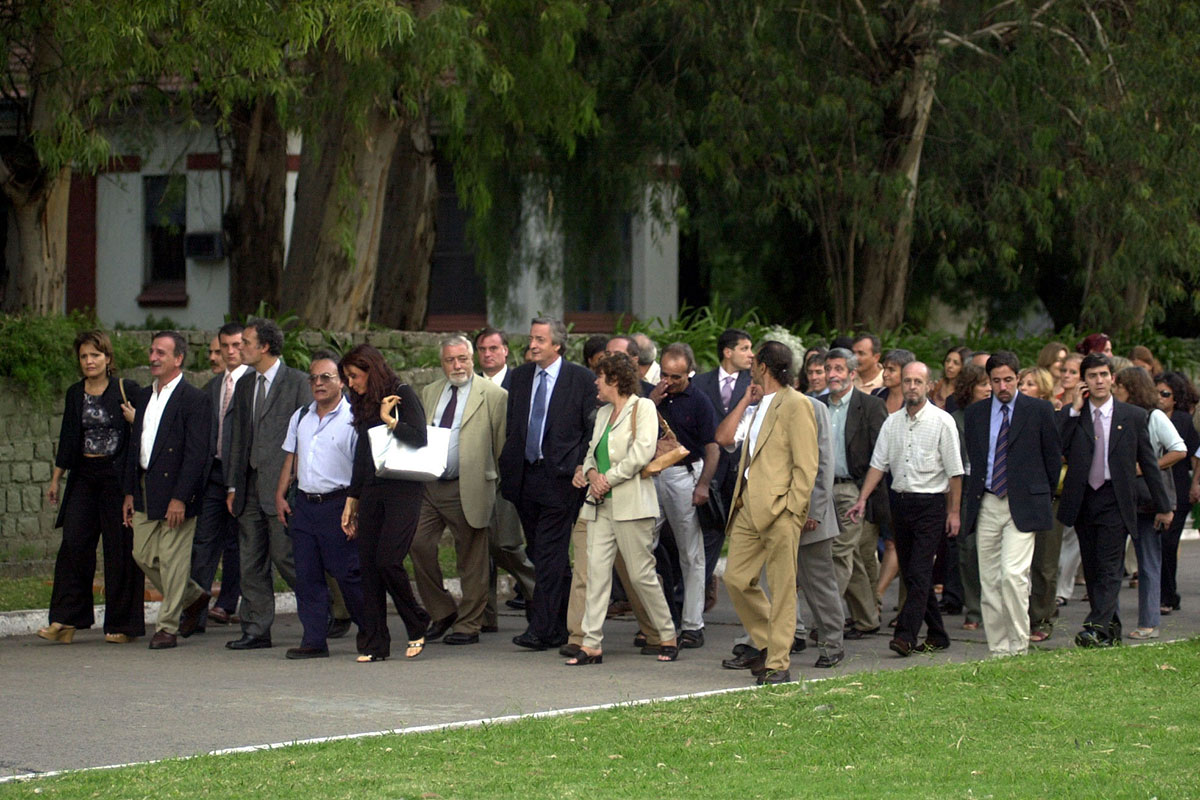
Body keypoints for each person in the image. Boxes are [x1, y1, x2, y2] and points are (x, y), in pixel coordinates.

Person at [716, 370, 845, 669]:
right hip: (765, 510)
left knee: (816, 582)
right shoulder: (758, 407)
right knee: (757, 580)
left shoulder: (812, 408)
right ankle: (767, 642)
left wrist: (812, 509)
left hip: (806, 511)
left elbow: (821, 463)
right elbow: (727, 440)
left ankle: (831, 643)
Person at [568, 353, 678, 665]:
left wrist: (608, 480)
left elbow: (642, 452)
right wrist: (591, 474)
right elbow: (591, 452)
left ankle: (667, 634)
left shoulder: (642, 407)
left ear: (614, 380)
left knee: (642, 574)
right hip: (600, 507)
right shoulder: (603, 413)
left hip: (632, 506)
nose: (595, 383)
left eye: (599, 377)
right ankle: (591, 644)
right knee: (596, 574)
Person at [848, 362, 964, 657]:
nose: (912, 386)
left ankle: (905, 635)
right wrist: (862, 499)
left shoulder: (942, 421)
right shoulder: (892, 423)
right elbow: (878, 464)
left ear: (928, 385)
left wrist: (954, 512)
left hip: (931, 503)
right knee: (913, 570)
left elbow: (955, 472)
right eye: (908, 381)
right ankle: (937, 634)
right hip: (899, 501)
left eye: (918, 381)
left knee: (920, 570)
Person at [1057, 354, 1170, 648]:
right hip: (1083, 499)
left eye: (1104, 375)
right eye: (1092, 376)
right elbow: (1057, 444)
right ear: (1084, 382)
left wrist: (1164, 505)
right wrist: (1073, 409)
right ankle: (1110, 629)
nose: (1099, 381)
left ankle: (1095, 627)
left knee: (1110, 566)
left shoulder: (1132, 416)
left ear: (1112, 378)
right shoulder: (1074, 415)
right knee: (1093, 567)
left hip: (1115, 498)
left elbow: (1148, 461)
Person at [723, 341, 819, 685]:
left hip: (781, 509)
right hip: (748, 504)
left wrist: (793, 510)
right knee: (735, 579)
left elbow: (806, 464)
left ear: (764, 366)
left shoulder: (797, 404)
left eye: (754, 359)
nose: (749, 363)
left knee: (782, 589)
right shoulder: (759, 400)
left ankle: (778, 663)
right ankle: (771, 640)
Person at [41, 331, 145, 645]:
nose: (89, 361)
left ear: (108, 359)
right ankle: (66, 620)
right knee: (74, 542)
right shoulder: (76, 393)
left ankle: (122, 624)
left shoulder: (127, 390)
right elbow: (69, 436)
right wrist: (56, 477)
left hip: (117, 477)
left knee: (119, 548)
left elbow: (148, 428)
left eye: (95, 356)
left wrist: (134, 418)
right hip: (84, 475)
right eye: (84, 356)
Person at [499, 317, 595, 650]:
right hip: (525, 477)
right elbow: (514, 424)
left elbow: (590, 428)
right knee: (541, 553)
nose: (533, 345)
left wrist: (580, 465)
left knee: (551, 553)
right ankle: (563, 622)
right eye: (531, 339)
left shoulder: (580, 379)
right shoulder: (521, 377)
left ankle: (541, 629)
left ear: (557, 344)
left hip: (561, 479)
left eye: (540, 339)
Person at [410, 336, 508, 645]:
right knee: (418, 544)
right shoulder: (429, 392)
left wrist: (497, 487)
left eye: (463, 358)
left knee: (472, 558)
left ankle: (469, 624)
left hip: (470, 485)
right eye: (450, 360)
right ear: (442, 363)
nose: (457, 365)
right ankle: (442, 611)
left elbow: (501, 444)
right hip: (429, 485)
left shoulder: (493, 395)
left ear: (472, 359)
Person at [961, 352, 1061, 658]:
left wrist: (1038, 494)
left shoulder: (1039, 409)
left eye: (1008, 379)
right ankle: (999, 648)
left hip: (1023, 503)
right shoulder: (976, 413)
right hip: (988, 500)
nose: (1003, 386)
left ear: (1017, 377)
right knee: (989, 579)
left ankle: (1019, 645)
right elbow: (977, 460)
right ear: (988, 382)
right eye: (996, 380)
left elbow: (1052, 458)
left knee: (1012, 575)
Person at [120, 331, 212, 649]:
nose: (153, 358)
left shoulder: (195, 400)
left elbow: (197, 455)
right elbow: (137, 445)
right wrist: (131, 491)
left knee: (173, 560)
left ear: (178, 359)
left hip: (177, 490)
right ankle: (193, 597)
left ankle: (167, 627)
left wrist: (180, 498)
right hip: (146, 485)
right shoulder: (145, 396)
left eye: (161, 352)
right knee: (141, 553)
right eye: (152, 351)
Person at [340, 344, 430, 662]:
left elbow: (419, 437)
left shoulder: (401, 392)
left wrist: (387, 419)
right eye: (347, 377)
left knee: (388, 561)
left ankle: (417, 620)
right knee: (368, 566)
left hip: (404, 487)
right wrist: (352, 499)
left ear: (371, 370)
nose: (351, 383)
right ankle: (375, 643)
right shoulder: (361, 401)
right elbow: (363, 455)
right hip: (373, 489)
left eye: (354, 376)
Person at [224, 318, 310, 651]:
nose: (238, 348)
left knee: (286, 556)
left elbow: (305, 438)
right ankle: (256, 629)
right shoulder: (245, 385)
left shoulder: (297, 382)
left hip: (283, 488)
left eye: (245, 342)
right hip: (248, 486)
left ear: (264, 347)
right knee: (250, 560)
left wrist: (294, 484)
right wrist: (232, 485)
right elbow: (237, 438)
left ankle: (329, 609)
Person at [274, 351, 366, 659]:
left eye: (326, 377)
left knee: (348, 574)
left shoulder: (354, 417)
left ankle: (370, 630)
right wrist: (280, 494)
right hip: (305, 505)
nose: (319, 383)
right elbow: (292, 456)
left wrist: (356, 510)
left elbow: (362, 468)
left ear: (341, 381)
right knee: (307, 576)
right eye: (313, 377)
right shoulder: (302, 416)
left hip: (339, 504)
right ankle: (314, 639)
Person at [648, 342, 720, 648]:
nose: (669, 381)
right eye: (664, 374)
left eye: (676, 376)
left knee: (691, 554)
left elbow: (713, 448)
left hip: (685, 475)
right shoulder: (653, 398)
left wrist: (703, 485)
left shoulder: (699, 401)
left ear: (688, 372)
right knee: (641, 546)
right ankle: (654, 622)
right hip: (652, 475)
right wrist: (650, 402)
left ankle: (693, 624)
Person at [1112, 366, 1185, 639]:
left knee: (1149, 560)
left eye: (1120, 385)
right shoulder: (1116, 413)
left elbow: (1179, 449)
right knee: (1115, 562)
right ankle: (1111, 621)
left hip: (1147, 497)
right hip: (1122, 495)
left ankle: (1149, 622)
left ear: (1131, 387)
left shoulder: (1153, 416)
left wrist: (1146, 466)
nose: (1115, 389)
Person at [819, 347, 887, 638]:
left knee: (839, 553)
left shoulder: (869, 406)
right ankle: (867, 618)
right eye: (828, 369)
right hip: (822, 488)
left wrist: (864, 496)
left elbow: (880, 456)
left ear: (852, 373)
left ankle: (827, 621)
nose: (832, 374)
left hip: (852, 488)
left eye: (838, 369)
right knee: (853, 557)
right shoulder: (817, 405)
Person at [474, 327, 535, 621]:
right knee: (478, 549)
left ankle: (545, 594)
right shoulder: (469, 386)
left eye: (493, 349)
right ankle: (483, 617)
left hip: (509, 476)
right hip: (474, 476)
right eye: (483, 350)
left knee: (506, 544)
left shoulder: (520, 383)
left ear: (506, 351)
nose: (487, 354)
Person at [190, 321, 246, 632]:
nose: (230, 352)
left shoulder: (253, 383)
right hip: (213, 471)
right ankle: (194, 611)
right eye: (225, 346)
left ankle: (228, 602)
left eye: (237, 345)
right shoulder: (212, 388)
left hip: (242, 475)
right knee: (204, 541)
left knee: (236, 542)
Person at [691, 327, 754, 603]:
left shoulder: (755, 384)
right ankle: (698, 591)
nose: (750, 354)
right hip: (709, 471)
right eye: (744, 348)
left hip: (742, 471)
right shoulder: (700, 383)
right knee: (709, 532)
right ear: (727, 352)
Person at [1016, 365, 1065, 641]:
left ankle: (1043, 618)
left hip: (1049, 496)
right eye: (1021, 384)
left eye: (1030, 384)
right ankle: (1019, 614)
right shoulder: (1011, 416)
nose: (1023, 389)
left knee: (1045, 563)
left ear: (1044, 390)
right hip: (1018, 496)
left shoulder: (1055, 416)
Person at [949, 363, 989, 630]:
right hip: (966, 484)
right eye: (983, 384)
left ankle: (994, 606)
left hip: (995, 484)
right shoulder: (956, 419)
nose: (988, 389)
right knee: (967, 550)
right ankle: (974, 609)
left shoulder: (998, 414)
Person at [1156, 372, 1198, 615]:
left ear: (1175, 398)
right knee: (1158, 544)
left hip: (1180, 488)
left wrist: (1196, 484)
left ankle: (1168, 595)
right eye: (1157, 393)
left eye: (1165, 394)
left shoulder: (1184, 421)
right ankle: (1164, 594)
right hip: (1154, 488)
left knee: (1169, 543)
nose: (1160, 398)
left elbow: (1196, 454)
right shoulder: (1148, 417)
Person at [932, 346, 970, 410]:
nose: (949, 365)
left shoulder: (967, 390)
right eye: (947, 361)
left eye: (956, 363)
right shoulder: (939, 385)